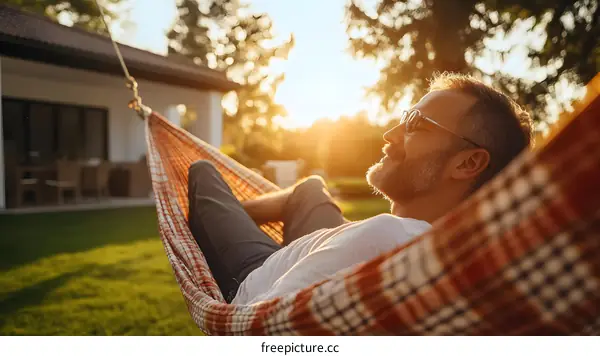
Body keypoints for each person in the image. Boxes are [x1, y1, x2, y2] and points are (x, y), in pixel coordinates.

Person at [187, 73, 534, 304]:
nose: (390, 134)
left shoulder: (383, 236)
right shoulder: (439, 246)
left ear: (467, 163)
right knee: (310, 188)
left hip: (255, 275)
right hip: (329, 240)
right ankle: (242, 216)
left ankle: (227, 219)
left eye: (415, 124)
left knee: (202, 170)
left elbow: (257, 325)